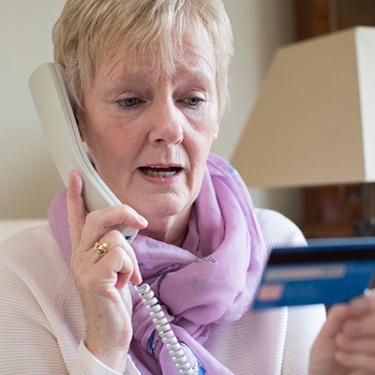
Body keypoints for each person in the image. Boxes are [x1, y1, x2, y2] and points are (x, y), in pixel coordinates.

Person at [1, 0, 375, 374]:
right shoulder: (20, 274)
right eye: (130, 100)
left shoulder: (277, 245)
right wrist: (104, 350)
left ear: (215, 116)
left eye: (192, 99)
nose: (170, 128)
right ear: (74, 122)